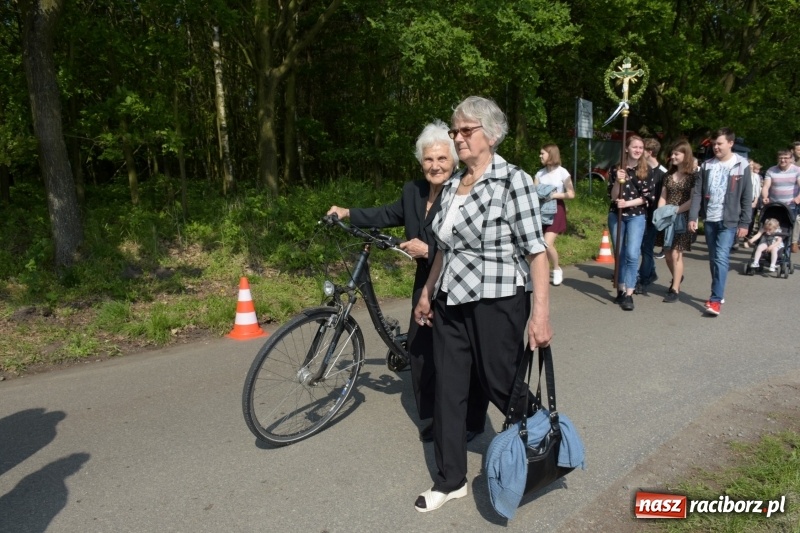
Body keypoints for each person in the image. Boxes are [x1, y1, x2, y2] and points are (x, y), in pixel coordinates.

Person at [411, 96, 552, 512]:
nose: (457, 138)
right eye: (454, 131)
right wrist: (426, 291)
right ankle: (450, 479)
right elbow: (443, 247)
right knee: (449, 390)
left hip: (499, 300)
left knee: (499, 383)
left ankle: (541, 432)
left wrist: (540, 315)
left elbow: (536, 252)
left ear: (490, 134)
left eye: (464, 131)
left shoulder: (514, 181)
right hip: (451, 300)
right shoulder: (454, 184)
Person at [326, 121, 489, 444]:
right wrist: (348, 212)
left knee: (462, 357)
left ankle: (472, 420)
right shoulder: (412, 191)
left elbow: (475, 246)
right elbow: (387, 213)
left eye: (442, 159)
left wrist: (427, 249)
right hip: (424, 283)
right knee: (419, 350)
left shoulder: (465, 191)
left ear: (454, 161)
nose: (435, 166)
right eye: (429, 159)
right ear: (420, 162)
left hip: (460, 283)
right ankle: (433, 416)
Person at [688, 127, 753, 316]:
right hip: (710, 218)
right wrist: (693, 217)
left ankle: (715, 300)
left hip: (729, 220)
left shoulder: (742, 165)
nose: (716, 147)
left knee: (721, 257)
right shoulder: (707, 165)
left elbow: (747, 196)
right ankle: (719, 291)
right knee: (714, 258)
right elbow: (698, 193)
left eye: (720, 144)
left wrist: (744, 222)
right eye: (714, 144)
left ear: (730, 143)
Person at [607, 135, 656, 311]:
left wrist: (627, 203)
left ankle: (629, 293)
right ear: (626, 148)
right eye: (634, 147)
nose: (637, 150)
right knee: (619, 253)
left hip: (636, 215)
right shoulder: (615, 169)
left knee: (632, 254)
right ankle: (620, 289)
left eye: (640, 148)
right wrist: (619, 181)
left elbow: (648, 197)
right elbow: (612, 196)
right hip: (616, 215)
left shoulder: (647, 170)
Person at [655, 141, 697, 303]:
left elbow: (693, 199)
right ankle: (678, 276)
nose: (672, 156)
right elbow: (663, 196)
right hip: (667, 218)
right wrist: (660, 213)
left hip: (682, 218)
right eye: (672, 153)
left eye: (676, 154)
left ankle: (675, 288)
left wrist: (676, 211)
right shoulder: (667, 176)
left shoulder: (693, 177)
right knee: (666, 254)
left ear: (685, 155)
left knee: (675, 253)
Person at [534, 143, 575, 286]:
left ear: (551, 155)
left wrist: (553, 195)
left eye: (542, 153)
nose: (540, 156)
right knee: (540, 244)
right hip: (541, 210)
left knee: (547, 243)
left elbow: (571, 194)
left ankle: (557, 269)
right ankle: (542, 272)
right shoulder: (539, 174)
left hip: (556, 209)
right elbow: (534, 193)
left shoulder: (562, 172)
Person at [637, 138, 667, 291]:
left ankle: (644, 279)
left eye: (642, 150)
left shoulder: (663, 173)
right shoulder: (642, 170)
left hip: (653, 216)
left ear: (649, 153)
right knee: (642, 247)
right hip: (640, 214)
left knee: (646, 248)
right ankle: (651, 271)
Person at [760, 150, 800, 253]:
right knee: (769, 228)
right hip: (774, 205)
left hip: (790, 205)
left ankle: (784, 253)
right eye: (781, 158)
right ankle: (765, 250)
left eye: (786, 158)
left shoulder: (797, 170)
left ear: (791, 159)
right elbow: (766, 186)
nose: (783, 160)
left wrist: (798, 198)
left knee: (786, 229)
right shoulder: (771, 170)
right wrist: (765, 196)